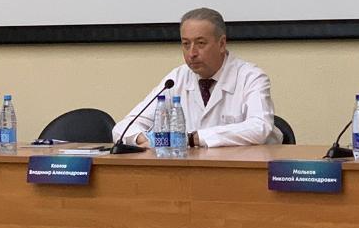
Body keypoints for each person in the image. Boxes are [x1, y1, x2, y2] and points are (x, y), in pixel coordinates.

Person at [113, 8, 277, 147]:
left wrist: (193, 139)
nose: (192, 53)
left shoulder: (250, 77)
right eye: (186, 44)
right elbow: (123, 127)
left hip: (243, 169)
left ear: (221, 44)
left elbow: (260, 127)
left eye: (200, 43)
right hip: (192, 169)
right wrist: (146, 139)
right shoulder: (176, 79)